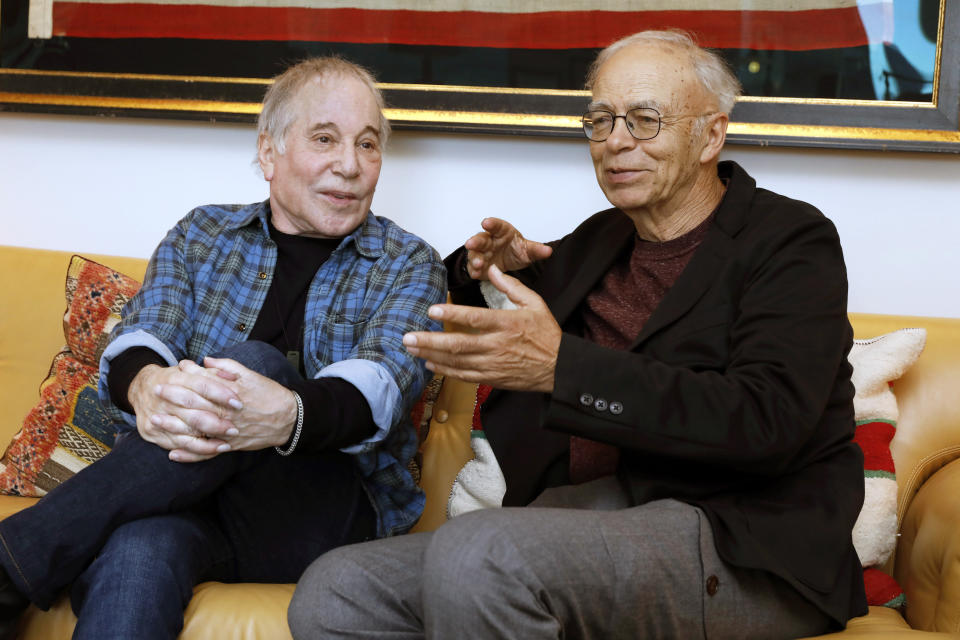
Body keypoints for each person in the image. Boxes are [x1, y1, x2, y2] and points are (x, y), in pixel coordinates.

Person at [288, 30, 867, 639]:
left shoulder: (791, 241)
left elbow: (766, 420)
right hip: (596, 518)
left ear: (711, 135)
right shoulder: (602, 239)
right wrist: (481, 265)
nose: (616, 141)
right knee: (337, 589)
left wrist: (561, 368)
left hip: (742, 539)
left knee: (482, 554)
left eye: (645, 120)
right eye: (601, 120)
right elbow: (480, 297)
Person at [0, 56, 446, 640]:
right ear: (268, 153)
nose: (350, 165)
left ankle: (11, 560)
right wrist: (146, 384)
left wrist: (289, 414)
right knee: (139, 551)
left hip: (316, 515)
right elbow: (144, 335)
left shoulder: (407, 261)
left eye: (368, 145)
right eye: (324, 139)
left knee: (254, 366)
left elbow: (381, 387)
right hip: (181, 506)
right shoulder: (202, 234)